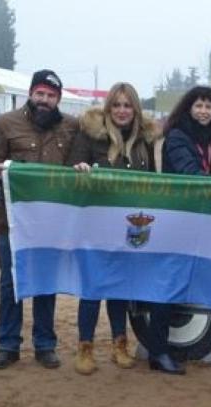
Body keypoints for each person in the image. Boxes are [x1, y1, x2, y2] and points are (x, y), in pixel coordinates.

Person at [0, 70, 78, 371]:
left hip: (52, 223)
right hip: (12, 223)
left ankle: (45, 344)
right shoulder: (4, 124)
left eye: (51, 96)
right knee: (9, 283)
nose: (45, 100)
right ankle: (8, 344)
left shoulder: (71, 127)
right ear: (30, 93)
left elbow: (77, 166)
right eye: (40, 94)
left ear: (58, 99)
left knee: (45, 283)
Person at [66, 82, 157, 375]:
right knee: (92, 287)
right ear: (108, 108)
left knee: (120, 286)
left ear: (135, 109)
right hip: (94, 224)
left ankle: (119, 344)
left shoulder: (145, 141)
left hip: (130, 226)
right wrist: (79, 170)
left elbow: (153, 179)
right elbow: (71, 171)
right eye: (116, 105)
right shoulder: (90, 136)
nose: (121, 110)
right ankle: (85, 346)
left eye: (127, 105)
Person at [148, 85, 211, 374]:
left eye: (209, 106)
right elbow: (190, 174)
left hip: (192, 218)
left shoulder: (205, 139)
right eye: (199, 106)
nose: (204, 111)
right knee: (167, 283)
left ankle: (170, 346)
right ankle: (157, 351)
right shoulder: (178, 136)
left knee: (181, 280)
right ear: (188, 109)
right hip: (176, 220)